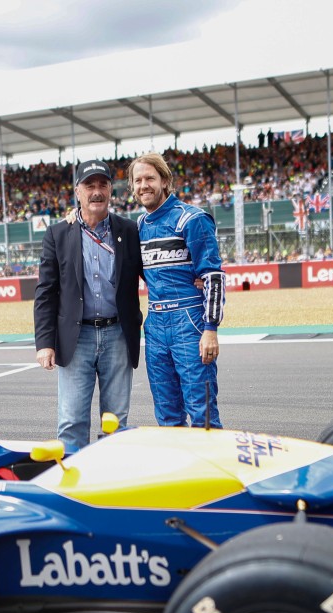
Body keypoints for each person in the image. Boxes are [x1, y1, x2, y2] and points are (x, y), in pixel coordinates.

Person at [33, 160, 143, 453]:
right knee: (71, 423)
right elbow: (46, 292)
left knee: (116, 423)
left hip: (118, 335)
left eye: (102, 185)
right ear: (77, 192)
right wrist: (45, 343)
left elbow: (154, 272)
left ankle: (109, 487)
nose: (96, 191)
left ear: (110, 190)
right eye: (89, 185)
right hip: (75, 338)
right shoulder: (58, 234)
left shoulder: (130, 230)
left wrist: (189, 279)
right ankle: (72, 491)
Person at [130, 152, 226, 428]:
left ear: (164, 180)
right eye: (138, 180)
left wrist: (210, 329)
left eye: (150, 178)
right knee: (167, 413)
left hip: (191, 322)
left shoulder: (192, 219)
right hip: (155, 323)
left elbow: (214, 277)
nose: (143, 185)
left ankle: (211, 469)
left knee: (202, 412)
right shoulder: (137, 226)